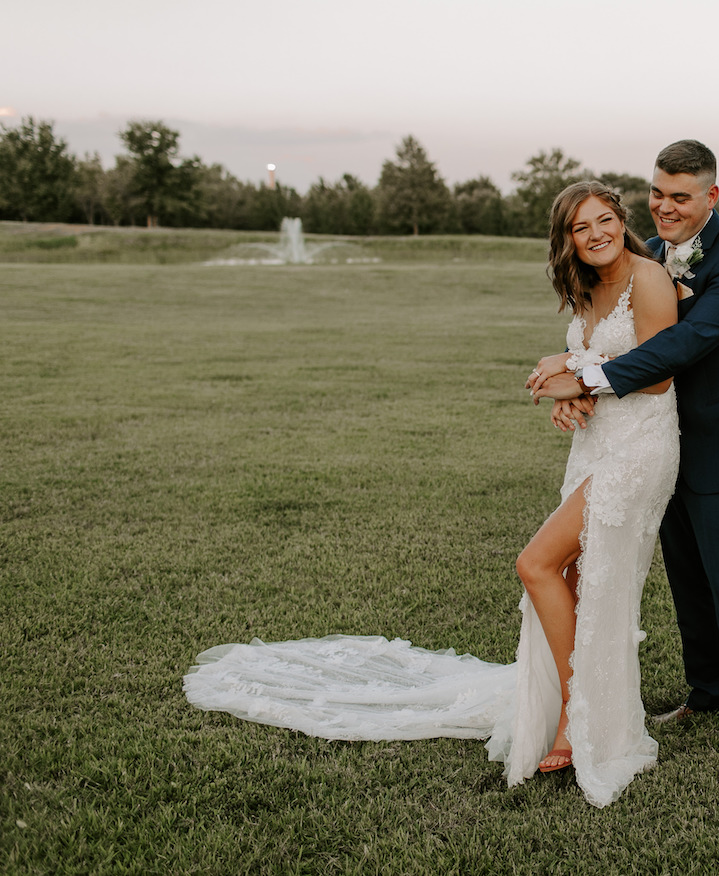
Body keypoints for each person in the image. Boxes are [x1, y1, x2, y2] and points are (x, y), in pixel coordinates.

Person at [184, 181, 681, 809]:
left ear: (621, 220)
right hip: (597, 442)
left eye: (604, 220)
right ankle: (576, 705)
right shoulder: (586, 285)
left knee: (538, 564)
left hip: (639, 448)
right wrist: (571, 387)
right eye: (581, 228)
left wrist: (575, 381)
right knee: (578, 576)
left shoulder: (650, 278)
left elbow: (659, 374)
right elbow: (608, 355)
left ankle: (576, 716)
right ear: (567, 240)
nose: (596, 234)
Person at [530, 140, 719, 793]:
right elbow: (618, 323)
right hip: (657, 440)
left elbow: (684, 343)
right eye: (658, 193)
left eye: (681, 197)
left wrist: (586, 376)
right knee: (687, 579)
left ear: (711, 197)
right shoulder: (646, 249)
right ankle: (707, 692)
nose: (665, 207)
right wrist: (575, 378)